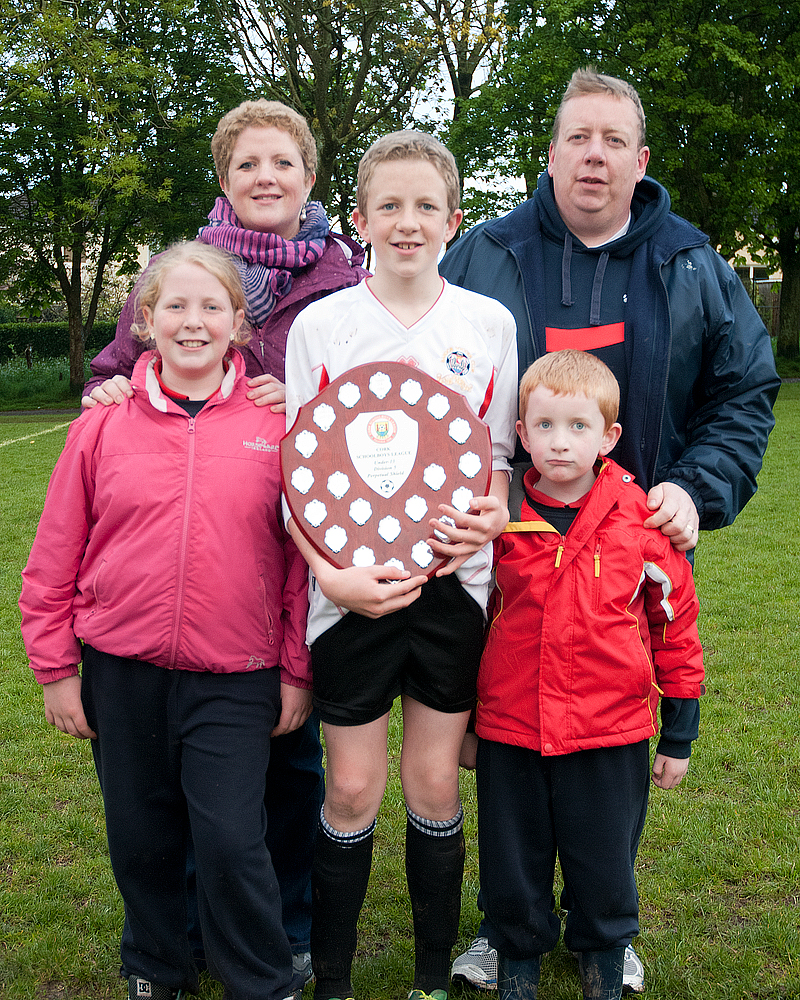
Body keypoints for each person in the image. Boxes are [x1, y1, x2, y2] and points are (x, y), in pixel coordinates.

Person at [440, 67, 780, 992]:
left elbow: (745, 387)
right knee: (506, 741)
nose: (594, 156)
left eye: (613, 141)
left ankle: (604, 928)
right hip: (499, 545)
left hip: (625, 545)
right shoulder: (481, 253)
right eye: (576, 138)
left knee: (606, 753)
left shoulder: (690, 260)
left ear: (638, 158)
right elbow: (412, 361)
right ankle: (506, 925)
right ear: (549, 154)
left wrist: (699, 488)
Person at [82, 99, 370, 976]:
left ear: (309, 177)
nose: (265, 178)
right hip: (190, 532)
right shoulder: (187, 269)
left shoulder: (343, 279)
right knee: (198, 786)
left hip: (296, 547)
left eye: (282, 163)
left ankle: (283, 923)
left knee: (289, 765)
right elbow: (128, 357)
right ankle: (193, 934)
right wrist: (116, 384)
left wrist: (302, 400)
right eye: (247, 164)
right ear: (224, 179)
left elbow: (366, 393)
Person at [20, 242, 312, 1000]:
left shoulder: (277, 428)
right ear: (146, 321)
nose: (193, 322)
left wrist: (294, 670)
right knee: (143, 836)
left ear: (240, 325)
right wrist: (56, 668)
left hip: (237, 674)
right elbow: (55, 551)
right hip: (123, 670)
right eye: (175, 307)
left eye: (211, 306)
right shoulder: (101, 426)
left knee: (230, 838)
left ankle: (260, 977)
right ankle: (157, 965)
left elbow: (300, 567)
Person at [283, 130, 518, 1000]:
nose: (408, 222)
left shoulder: (488, 324)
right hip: (351, 596)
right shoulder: (323, 326)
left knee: (430, 780)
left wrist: (485, 527)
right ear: (359, 219)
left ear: (455, 220)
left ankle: (428, 976)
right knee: (350, 789)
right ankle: (335, 979)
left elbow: (495, 470)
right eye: (390, 205)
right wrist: (331, 576)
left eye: (426, 206)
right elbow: (296, 479)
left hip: (453, 591)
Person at [476, 349, 705, 1000]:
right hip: (512, 728)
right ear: (521, 434)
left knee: (602, 862)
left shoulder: (640, 521)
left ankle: (603, 954)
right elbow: (471, 621)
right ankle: (515, 958)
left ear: (609, 437)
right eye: (543, 426)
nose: (559, 442)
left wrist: (679, 733)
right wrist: (466, 722)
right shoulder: (501, 519)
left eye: (578, 427)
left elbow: (675, 626)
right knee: (513, 864)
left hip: (611, 733)